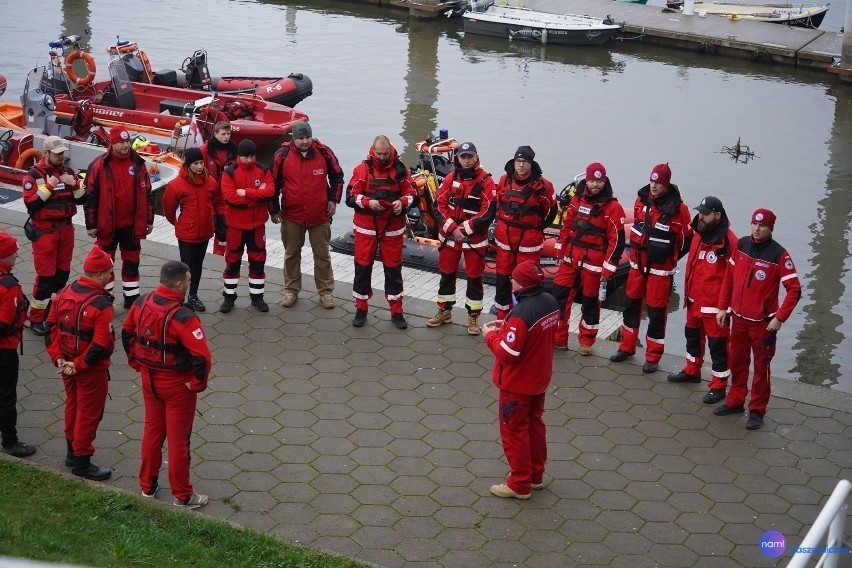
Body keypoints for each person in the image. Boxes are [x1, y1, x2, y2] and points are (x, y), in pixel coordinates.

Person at [122, 261, 212, 509]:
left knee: (152, 432)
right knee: (178, 440)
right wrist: (196, 385)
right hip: (176, 386)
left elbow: (126, 332)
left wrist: (135, 363)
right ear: (180, 283)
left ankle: (147, 487)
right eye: (189, 280)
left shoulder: (141, 302)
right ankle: (183, 496)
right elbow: (202, 357)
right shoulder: (184, 317)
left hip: (148, 379)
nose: (190, 283)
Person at [714, 209, 801, 430]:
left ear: (771, 228)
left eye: (762, 225)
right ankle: (735, 401)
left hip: (763, 325)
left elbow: (794, 289)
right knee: (737, 362)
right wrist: (723, 307)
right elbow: (729, 279)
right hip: (739, 321)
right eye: (754, 223)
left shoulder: (779, 255)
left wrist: (780, 318)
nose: (756, 228)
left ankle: (756, 410)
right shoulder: (741, 245)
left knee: (761, 368)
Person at [482, 260, 559, 499]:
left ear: (523, 283)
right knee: (535, 426)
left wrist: (491, 336)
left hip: (517, 385)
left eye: (514, 278)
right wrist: (506, 326)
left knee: (514, 431)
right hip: (539, 378)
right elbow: (532, 336)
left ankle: (519, 483)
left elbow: (509, 352)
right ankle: (535, 475)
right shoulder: (549, 301)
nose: (511, 281)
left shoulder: (522, 312)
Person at [610, 163, 692, 373]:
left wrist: (670, 258)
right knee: (631, 306)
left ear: (667, 184)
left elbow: (685, 241)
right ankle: (626, 347)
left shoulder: (679, 209)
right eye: (652, 181)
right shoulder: (642, 200)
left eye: (659, 183)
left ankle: (653, 356)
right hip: (637, 266)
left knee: (656, 313)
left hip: (660, 270)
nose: (654, 186)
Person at [44, 245, 115, 481]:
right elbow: (100, 344)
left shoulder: (64, 292)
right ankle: (82, 461)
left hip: (66, 364)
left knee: (72, 406)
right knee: (89, 413)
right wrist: (80, 365)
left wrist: (59, 358)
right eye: (108, 273)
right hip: (89, 370)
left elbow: (50, 327)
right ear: (97, 274)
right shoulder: (101, 305)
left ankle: (71, 453)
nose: (110, 277)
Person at [667, 196, 737, 405]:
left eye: (706, 214)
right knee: (692, 336)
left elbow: (734, 276)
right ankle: (692, 370)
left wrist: (726, 307)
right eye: (701, 212)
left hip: (715, 306)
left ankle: (718, 385)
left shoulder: (729, 241)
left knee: (718, 345)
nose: (701, 217)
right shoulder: (698, 234)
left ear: (717, 215)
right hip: (694, 299)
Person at [551, 162, 625, 355]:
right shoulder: (577, 201)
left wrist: (608, 268)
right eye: (592, 180)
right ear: (586, 180)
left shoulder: (613, 208)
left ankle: (586, 341)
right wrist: (560, 249)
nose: (594, 185)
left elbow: (616, 240)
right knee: (559, 298)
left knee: (591, 304)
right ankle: (559, 339)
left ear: (604, 182)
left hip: (594, 264)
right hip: (571, 259)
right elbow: (567, 226)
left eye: (598, 181)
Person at [345, 135, 416, 329]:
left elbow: (412, 195)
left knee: (393, 270)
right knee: (362, 268)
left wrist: (401, 203)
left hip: (392, 229)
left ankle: (396, 311)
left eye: (386, 154)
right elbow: (351, 197)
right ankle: (361, 309)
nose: (383, 158)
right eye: (379, 154)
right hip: (366, 229)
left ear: (391, 151)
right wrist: (369, 203)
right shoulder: (362, 170)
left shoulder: (401, 170)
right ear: (372, 151)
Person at [271, 121, 344, 310]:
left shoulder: (324, 152)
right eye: (300, 138)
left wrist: (333, 201)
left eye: (307, 137)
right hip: (292, 215)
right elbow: (272, 184)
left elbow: (337, 177)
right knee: (291, 254)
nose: (305, 141)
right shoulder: (282, 155)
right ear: (293, 139)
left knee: (322, 255)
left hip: (319, 214)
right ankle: (291, 290)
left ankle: (325, 292)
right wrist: (274, 210)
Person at [426, 141, 497, 335]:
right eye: (463, 157)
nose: (466, 161)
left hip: (473, 239)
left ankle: (473, 316)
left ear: (476, 158)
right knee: (447, 274)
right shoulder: (450, 179)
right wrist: (452, 228)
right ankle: (445, 310)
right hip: (450, 237)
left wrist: (464, 230)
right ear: (458, 158)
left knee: (474, 277)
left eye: (470, 157)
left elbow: (487, 212)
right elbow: (438, 205)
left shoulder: (486, 182)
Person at [21, 135, 86, 336]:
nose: (61, 157)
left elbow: (83, 199)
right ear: (46, 153)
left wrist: (74, 184)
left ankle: (52, 313)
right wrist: (49, 186)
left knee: (61, 276)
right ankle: (36, 319)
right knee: (46, 277)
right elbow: (31, 204)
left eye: (62, 154)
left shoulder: (68, 172)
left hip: (65, 230)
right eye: (57, 154)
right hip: (45, 232)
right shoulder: (34, 175)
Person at [83, 125, 154, 308]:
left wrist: (149, 220)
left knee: (132, 262)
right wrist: (91, 224)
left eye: (127, 141)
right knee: (105, 264)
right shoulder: (99, 165)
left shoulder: (138, 163)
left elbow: (148, 194)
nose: (125, 145)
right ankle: (105, 298)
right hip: (107, 225)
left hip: (131, 224)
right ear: (112, 143)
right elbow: (90, 196)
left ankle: (131, 299)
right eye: (121, 142)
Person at [493, 146, 557, 319]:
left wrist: (537, 226)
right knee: (503, 278)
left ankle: (525, 317)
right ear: (514, 163)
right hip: (505, 238)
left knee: (527, 279)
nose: (521, 165)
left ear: (531, 164)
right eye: (518, 161)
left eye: (525, 162)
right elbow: (498, 202)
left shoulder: (544, 186)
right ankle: (501, 317)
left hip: (529, 240)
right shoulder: (504, 180)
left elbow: (551, 211)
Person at [219, 139, 275, 313]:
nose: (249, 160)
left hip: (257, 226)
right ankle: (229, 298)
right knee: (232, 262)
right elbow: (230, 198)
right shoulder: (229, 172)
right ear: (239, 156)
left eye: (251, 156)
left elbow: (270, 192)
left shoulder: (263, 169)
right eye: (245, 157)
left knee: (258, 262)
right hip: (236, 226)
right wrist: (257, 198)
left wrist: (248, 193)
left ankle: (257, 298)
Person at [162, 147, 217, 312]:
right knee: (186, 267)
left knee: (198, 265)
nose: (199, 167)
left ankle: (193, 296)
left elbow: (214, 201)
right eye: (196, 164)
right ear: (188, 165)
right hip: (187, 233)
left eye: (201, 163)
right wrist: (180, 224)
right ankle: (180, 298)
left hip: (205, 231)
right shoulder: (177, 185)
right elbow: (168, 208)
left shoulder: (211, 182)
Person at [0, 233, 36, 458]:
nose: (17, 253)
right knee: (6, 396)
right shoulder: (8, 287)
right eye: (14, 250)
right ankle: (10, 441)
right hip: (4, 351)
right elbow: (3, 324)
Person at [200, 121, 237, 256]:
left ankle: (219, 255)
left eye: (228, 134)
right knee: (206, 227)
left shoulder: (234, 151)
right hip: (208, 195)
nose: (226, 137)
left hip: (224, 196)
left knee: (223, 229)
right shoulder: (205, 150)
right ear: (215, 134)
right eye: (223, 134)